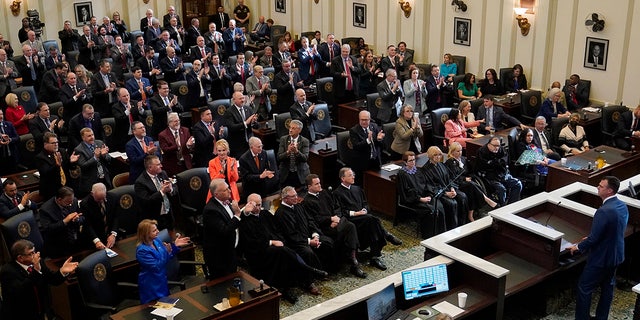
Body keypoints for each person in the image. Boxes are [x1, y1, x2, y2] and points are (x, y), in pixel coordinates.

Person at [569, 176, 628, 320]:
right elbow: (615, 230)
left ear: (609, 190)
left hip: (601, 258)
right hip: (616, 255)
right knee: (608, 288)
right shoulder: (622, 206)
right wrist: (591, 238)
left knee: (584, 288)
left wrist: (578, 246)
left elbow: (595, 239)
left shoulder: (603, 211)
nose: (597, 187)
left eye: (601, 186)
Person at [332, 167, 402, 271]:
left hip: (364, 218)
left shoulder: (357, 189)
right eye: (350, 175)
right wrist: (356, 213)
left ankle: (374, 257)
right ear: (343, 178)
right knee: (373, 220)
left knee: (372, 224)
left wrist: (364, 210)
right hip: (351, 220)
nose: (353, 176)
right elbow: (339, 212)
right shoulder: (336, 193)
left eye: (353, 174)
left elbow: (366, 204)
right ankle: (385, 236)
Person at [303, 174, 366, 278]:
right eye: (317, 184)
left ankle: (353, 259)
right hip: (324, 227)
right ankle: (353, 260)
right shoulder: (307, 202)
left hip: (337, 222)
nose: (320, 185)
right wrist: (330, 219)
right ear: (309, 186)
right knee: (349, 227)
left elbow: (337, 206)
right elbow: (313, 219)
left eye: (319, 182)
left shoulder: (325, 193)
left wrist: (336, 217)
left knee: (350, 226)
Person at [274, 186, 332, 295]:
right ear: (285, 198)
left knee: (327, 242)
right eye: (293, 196)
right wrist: (309, 241)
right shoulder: (281, 213)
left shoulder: (298, 206)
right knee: (307, 252)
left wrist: (315, 234)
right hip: (294, 243)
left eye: (296, 195)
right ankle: (308, 283)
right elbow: (291, 235)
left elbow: (309, 221)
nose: (296, 198)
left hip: (308, 236)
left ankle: (323, 271)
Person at [0, 239, 78, 320]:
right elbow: (21, 292)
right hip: (20, 314)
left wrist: (62, 271)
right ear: (20, 258)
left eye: (34, 251)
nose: (35, 255)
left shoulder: (39, 262)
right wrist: (36, 270)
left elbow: (53, 280)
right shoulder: (8, 271)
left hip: (41, 312)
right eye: (31, 253)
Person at [136, 219, 190, 304]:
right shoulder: (142, 251)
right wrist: (166, 252)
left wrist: (174, 246)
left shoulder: (156, 241)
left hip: (162, 282)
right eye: (154, 231)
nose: (158, 232)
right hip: (151, 286)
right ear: (146, 233)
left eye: (157, 229)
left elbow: (166, 257)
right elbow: (157, 266)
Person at [40, 186, 104, 258]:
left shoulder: (74, 201)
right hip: (58, 247)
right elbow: (48, 229)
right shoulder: (45, 209)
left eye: (72, 201)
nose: (71, 204)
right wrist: (65, 221)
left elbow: (82, 217)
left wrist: (77, 219)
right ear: (59, 199)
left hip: (76, 243)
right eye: (68, 202)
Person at [445, 142, 497, 222]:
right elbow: (453, 177)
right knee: (471, 185)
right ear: (452, 152)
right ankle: (486, 199)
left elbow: (470, 171)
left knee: (472, 187)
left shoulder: (463, 159)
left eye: (461, 150)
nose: (460, 153)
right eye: (457, 151)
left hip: (468, 182)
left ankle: (470, 214)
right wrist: (464, 179)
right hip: (458, 184)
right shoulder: (449, 162)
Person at [420, 146, 469, 229]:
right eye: (435, 155)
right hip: (439, 193)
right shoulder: (425, 170)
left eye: (439, 155)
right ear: (430, 156)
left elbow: (449, 178)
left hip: (449, 188)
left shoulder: (442, 165)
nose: (438, 157)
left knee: (463, 197)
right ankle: (452, 227)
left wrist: (452, 189)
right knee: (452, 203)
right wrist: (446, 193)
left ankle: (462, 223)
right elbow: (431, 186)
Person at [396, 152, 443, 238]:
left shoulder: (418, 170)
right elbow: (407, 191)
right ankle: (429, 235)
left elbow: (425, 184)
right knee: (431, 210)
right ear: (405, 162)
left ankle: (439, 233)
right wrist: (420, 199)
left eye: (414, 160)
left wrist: (429, 195)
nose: (413, 162)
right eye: (410, 160)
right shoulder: (402, 174)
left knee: (438, 205)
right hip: (412, 200)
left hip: (424, 196)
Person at [203, 179, 242, 279]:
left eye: (228, 188)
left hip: (230, 251)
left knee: (233, 280)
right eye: (225, 190)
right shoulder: (210, 210)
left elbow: (231, 221)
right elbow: (224, 230)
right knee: (222, 286)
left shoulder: (226, 202)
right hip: (219, 257)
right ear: (216, 194)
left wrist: (243, 213)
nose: (229, 190)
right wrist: (237, 215)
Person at [475, 136, 522, 205]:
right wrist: (497, 163)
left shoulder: (501, 150)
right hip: (490, 177)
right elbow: (484, 166)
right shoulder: (482, 152)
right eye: (494, 146)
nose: (497, 148)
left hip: (503, 174)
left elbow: (504, 162)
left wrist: (494, 162)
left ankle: (511, 204)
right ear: (489, 144)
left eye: (498, 146)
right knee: (501, 189)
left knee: (518, 184)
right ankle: (502, 207)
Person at [135, 155, 177, 230]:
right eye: (158, 165)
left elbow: (174, 188)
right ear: (150, 167)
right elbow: (146, 201)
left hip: (168, 214)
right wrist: (162, 191)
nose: (161, 166)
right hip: (154, 219)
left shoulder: (163, 173)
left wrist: (170, 189)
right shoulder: (140, 182)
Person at [35, 132, 79, 200]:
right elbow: (46, 173)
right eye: (53, 143)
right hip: (51, 191)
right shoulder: (40, 157)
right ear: (45, 144)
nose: (56, 145)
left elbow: (70, 167)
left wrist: (72, 162)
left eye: (57, 142)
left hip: (66, 187)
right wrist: (57, 165)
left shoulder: (62, 151)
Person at [73, 128, 112, 197]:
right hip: (91, 182)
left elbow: (109, 159)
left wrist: (103, 155)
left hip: (104, 178)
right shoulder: (79, 149)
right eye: (89, 136)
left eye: (92, 135)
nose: (92, 137)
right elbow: (83, 166)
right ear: (83, 137)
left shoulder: (100, 143)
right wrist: (95, 157)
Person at [349, 110, 384, 184]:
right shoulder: (354, 131)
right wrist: (368, 140)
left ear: (370, 119)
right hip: (363, 163)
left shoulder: (374, 126)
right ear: (359, 119)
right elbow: (356, 146)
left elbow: (381, 145)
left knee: (377, 182)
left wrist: (379, 139)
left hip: (375, 160)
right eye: (362, 120)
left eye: (366, 120)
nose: (364, 122)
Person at [80, 183, 118, 248]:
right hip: (93, 237)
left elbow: (116, 217)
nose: (101, 201)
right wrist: (96, 241)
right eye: (98, 199)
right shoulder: (85, 204)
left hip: (110, 235)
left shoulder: (113, 197)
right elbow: (87, 224)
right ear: (92, 194)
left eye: (103, 198)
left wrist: (113, 234)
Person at [224, 91, 259, 158]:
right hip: (237, 145)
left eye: (243, 98)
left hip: (250, 143)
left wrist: (253, 122)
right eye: (240, 99)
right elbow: (232, 127)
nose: (242, 100)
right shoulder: (229, 112)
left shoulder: (248, 109)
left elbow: (257, 126)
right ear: (234, 100)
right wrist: (246, 123)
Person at [277, 120, 310, 188]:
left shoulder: (305, 141)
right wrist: (288, 152)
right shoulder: (283, 139)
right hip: (286, 173)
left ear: (299, 130)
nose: (290, 130)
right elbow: (279, 157)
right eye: (290, 127)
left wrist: (296, 151)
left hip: (300, 173)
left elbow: (305, 158)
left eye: (293, 128)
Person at [0, 109, 19, 175]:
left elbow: (17, 138)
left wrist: (10, 140)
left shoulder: (9, 124)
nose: (1, 116)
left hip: (12, 156)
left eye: (1, 114)